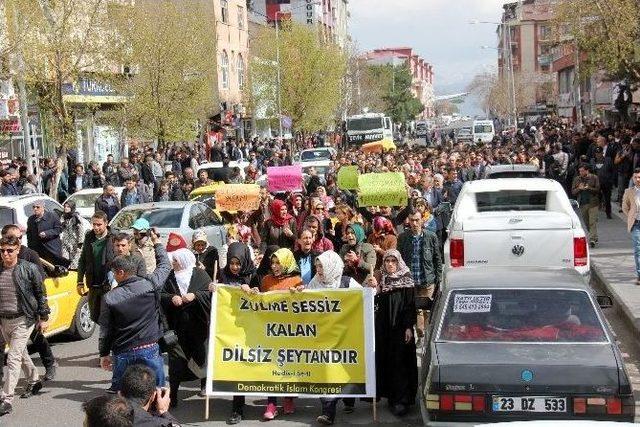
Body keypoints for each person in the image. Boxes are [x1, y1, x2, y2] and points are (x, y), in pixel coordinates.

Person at [98, 228, 170, 392]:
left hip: (123, 353)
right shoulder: (151, 284)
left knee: (125, 395)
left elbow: (105, 331)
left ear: (121, 272)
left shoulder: (110, 298)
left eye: (114, 273)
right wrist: (157, 242)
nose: (114, 276)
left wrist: (104, 354)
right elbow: (165, 265)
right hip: (150, 348)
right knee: (158, 391)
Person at [307, 250, 361, 425]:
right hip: (323, 337)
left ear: (331, 265)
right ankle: (328, 411)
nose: (319, 269)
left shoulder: (347, 283)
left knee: (344, 370)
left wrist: (371, 287)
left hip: (345, 336)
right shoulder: (314, 284)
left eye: (321, 265)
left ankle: (348, 399)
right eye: (317, 266)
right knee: (326, 373)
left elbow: (365, 299)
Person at [0, 225, 57, 382]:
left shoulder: (30, 254)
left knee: (37, 338)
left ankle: (50, 364)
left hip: (28, 308)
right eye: (14, 237)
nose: (18, 240)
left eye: (20, 237)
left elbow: (40, 283)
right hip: (7, 312)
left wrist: (42, 314)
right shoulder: (3, 254)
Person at [0, 235, 49, 416]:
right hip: (4, 320)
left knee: (12, 357)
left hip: (24, 319)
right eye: (2, 250)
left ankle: (6, 399)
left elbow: (40, 293)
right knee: (20, 354)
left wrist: (43, 317)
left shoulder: (28, 269)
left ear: (18, 249)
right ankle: (34, 379)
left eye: (9, 250)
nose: (5, 254)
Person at [160, 235, 211, 406]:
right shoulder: (170, 277)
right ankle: (173, 394)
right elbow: (162, 295)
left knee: (201, 357)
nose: (173, 263)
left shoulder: (200, 274)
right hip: (177, 328)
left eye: (175, 260)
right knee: (176, 362)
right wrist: (171, 298)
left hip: (198, 326)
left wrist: (195, 296)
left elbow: (210, 294)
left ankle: (204, 385)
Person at [371, 249, 418, 417]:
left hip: (401, 328)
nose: (390, 264)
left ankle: (402, 400)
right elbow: (372, 299)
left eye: (393, 261)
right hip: (384, 329)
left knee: (401, 363)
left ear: (398, 262)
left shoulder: (406, 278)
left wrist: (408, 327)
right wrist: (372, 287)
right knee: (387, 361)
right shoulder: (381, 280)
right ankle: (391, 397)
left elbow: (410, 305)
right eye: (387, 261)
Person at [216, 242, 256, 425]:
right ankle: (237, 407)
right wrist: (213, 289)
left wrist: (253, 291)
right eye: (232, 263)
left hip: (248, 329)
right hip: (227, 329)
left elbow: (263, 297)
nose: (234, 267)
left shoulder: (252, 275)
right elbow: (217, 299)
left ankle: (243, 406)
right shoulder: (222, 274)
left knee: (245, 367)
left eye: (238, 263)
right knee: (234, 366)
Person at [259, 247, 302, 420]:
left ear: (287, 263)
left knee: (288, 366)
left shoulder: (297, 281)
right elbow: (260, 301)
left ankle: (289, 398)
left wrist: (299, 294)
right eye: (273, 262)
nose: (275, 266)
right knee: (271, 366)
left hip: (290, 331)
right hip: (271, 330)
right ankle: (271, 403)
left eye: (279, 262)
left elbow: (304, 306)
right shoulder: (266, 280)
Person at [397, 209, 442, 342]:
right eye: (412, 220)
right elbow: (399, 259)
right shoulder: (403, 238)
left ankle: (428, 336)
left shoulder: (430, 236)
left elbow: (437, 259)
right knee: (416, 310)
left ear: (422, 220)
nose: (415, 223)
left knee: (428, 310)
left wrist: (438, 278)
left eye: (417, 220)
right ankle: (421, 335)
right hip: (411, 281)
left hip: (428, 280)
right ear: (408, 221)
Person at [77, 211, 116, 323]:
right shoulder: (89, 237)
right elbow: (83, 260)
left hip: (108, 285)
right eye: (93, 224)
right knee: (95, 316)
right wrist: (79, 281)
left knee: (108, 318)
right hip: (93, 285)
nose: (95, 227)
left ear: (106, 223)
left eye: (99, 224)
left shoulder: (113, 238)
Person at [26, 200, 69, 267]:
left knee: (56, 268)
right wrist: (30, 249)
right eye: (34, 207)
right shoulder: (31, 219)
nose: (35, 209)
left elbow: (59, 229)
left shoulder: (52, 216)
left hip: (51, 249)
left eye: (38, 207)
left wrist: (47, 233)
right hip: (38, 251)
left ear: (43, 207)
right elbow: (29, 234)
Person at [572, 164, 601, 247]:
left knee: (592, 222)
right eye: (579, 171)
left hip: (593, 203)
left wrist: (589, 188)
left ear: (587, 170)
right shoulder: (577, 179)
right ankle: (594, 236)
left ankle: (592, 239)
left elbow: (597, 190)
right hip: (582, 204)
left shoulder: (594, 177)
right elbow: (573, 192)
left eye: (582, 171)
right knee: (586, 222)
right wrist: (579, 189)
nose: (580, 172)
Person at [622, 167, 640, 285]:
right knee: (638, 249)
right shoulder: (629, 191)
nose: (638, 179)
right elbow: (625, 207)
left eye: (639, 177)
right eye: (636, 177)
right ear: (632, 179)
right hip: (636, 224)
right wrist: (631, 216)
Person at [60, 200, 85, 269]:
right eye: (65, 206)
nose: (66, 208)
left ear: (72, 207)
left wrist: (80, 242)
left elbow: (81, 230)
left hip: (75, 243)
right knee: (65, 261)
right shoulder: (63, 216)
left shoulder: (76, 217)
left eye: (68, 207)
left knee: (74, 263)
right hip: (65, 242)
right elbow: (61, 228)